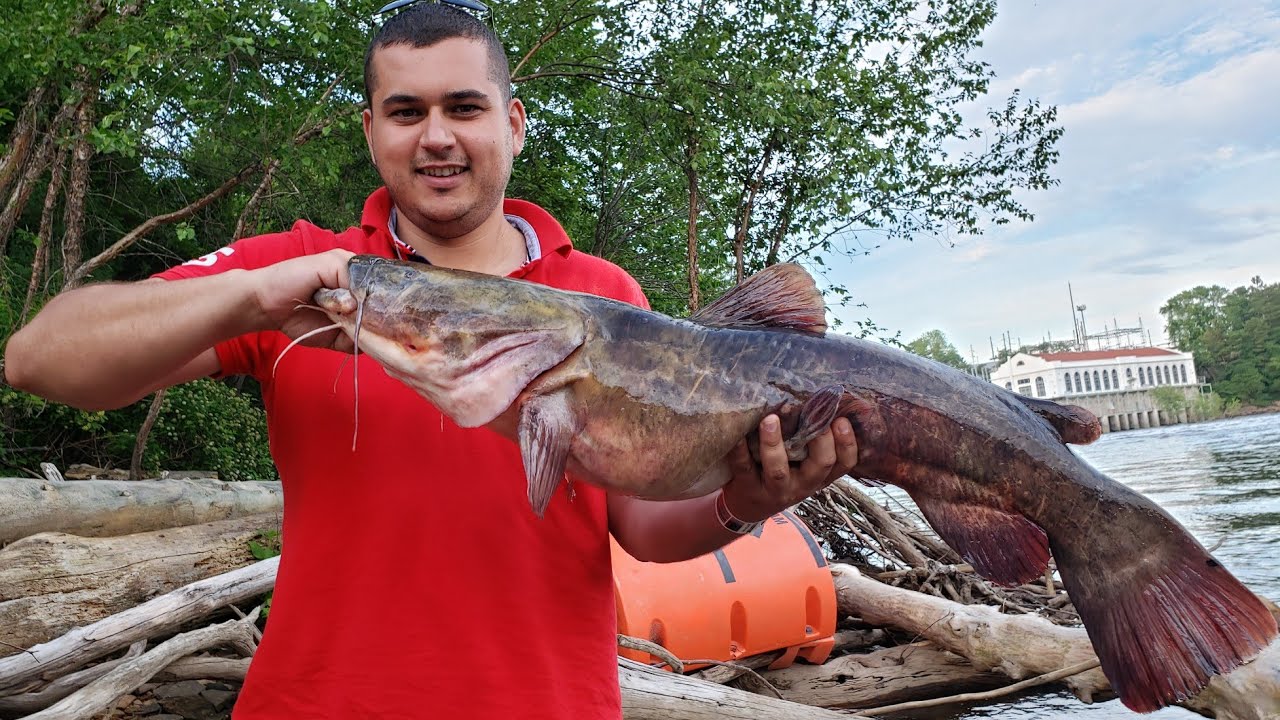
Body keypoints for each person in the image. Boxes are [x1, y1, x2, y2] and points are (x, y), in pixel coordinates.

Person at [3, 2, 858, 718]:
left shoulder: (599, 292)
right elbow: (41, 357)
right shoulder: (302, 275)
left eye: (465, 107)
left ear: (513, 123)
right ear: (372, 129)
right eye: (407, 112)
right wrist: (250, 295)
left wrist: (745, 502)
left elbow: (638, 526)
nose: (437, 137)